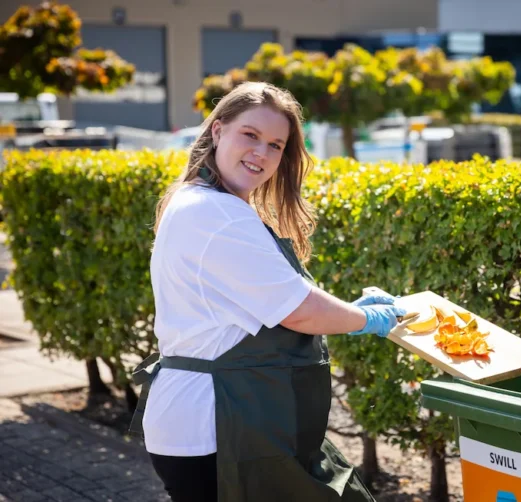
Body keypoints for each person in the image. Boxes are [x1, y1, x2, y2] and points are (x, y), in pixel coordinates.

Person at [129, 81, 406, 502]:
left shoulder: (200, 201)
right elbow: (297, 309)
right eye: (251, 135)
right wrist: (366, 319)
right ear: (218, 130)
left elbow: (276, 295)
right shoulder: (216, 213)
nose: (262, 153)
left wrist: (347, 309)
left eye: (276, 145)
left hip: (220, 421)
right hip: (216, 428)